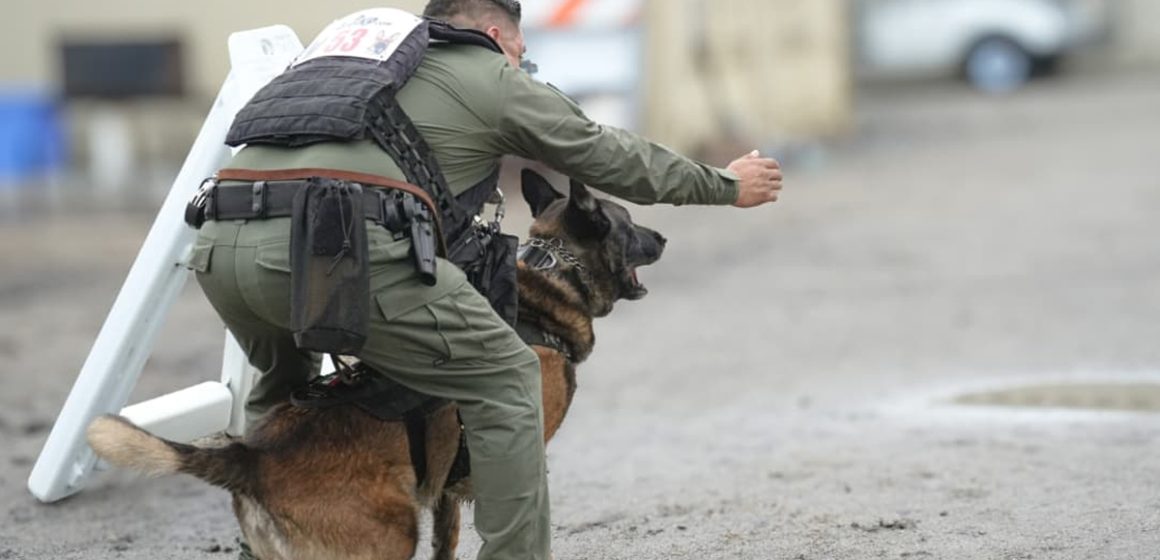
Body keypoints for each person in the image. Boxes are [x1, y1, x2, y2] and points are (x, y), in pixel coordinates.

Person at [190, 1, 783, 559]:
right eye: (521, 49)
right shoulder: (485, 71)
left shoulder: (359, 57)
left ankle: (267, 544)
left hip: (221, 247)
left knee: (285, 389)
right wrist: (723, 185)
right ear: (497, 33)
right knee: (510, 376)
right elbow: (605, 154)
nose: (521, 60)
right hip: (337, 252)